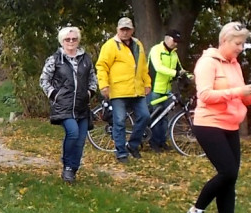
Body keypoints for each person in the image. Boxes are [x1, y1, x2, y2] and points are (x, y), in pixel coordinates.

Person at [184, 21, 251, 213]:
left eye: (243, 44)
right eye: (238, 43)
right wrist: (238, 91)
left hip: (230, 124)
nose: (240, 48)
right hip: (209, 124)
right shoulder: (207, 63)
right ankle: (195, 210)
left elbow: (242, 99)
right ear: (224, 41)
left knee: (231, 176)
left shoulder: (235, 64)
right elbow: (205, 95)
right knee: (227, 171)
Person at [39, 25, 99, 183]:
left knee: (80, 140)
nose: (71, 41)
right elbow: (44, 80)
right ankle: (67, 166)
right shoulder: (55, 59)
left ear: (78, 40)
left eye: (74, 39)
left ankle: (73, 169)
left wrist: (89, 93)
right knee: (72, 133)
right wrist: (54, 95)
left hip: (82, 106)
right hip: (63, 106)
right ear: (62, 41)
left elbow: (93, 79)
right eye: (67, 39)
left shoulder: (86, 58)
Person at [95, 17, 152, 162]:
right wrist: (104, 85)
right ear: (117, 30)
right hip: (118, 90)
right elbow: (102, 66)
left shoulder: (137, 44)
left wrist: (147, 83)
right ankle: (121, 152)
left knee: (145, 116)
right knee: (119, 121)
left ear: (132, 30)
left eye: (128, 29)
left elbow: (143, 66)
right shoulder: (110, 45)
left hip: (137, 89)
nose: (125, 32)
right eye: (122, 29)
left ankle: (132, 145)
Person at [147, 29, 187, 152]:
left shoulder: (174, 54)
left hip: (166, 90)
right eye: (174, 41)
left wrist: (189, 76)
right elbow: (158, 67)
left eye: (178, 42)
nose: (176, 44)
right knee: (154, 117)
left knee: (164, 118)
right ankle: (153, 143)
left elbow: (180, 69)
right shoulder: (156, 50)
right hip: (154, 89)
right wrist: (176, 74)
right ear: (167, 38)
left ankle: (162, 142)